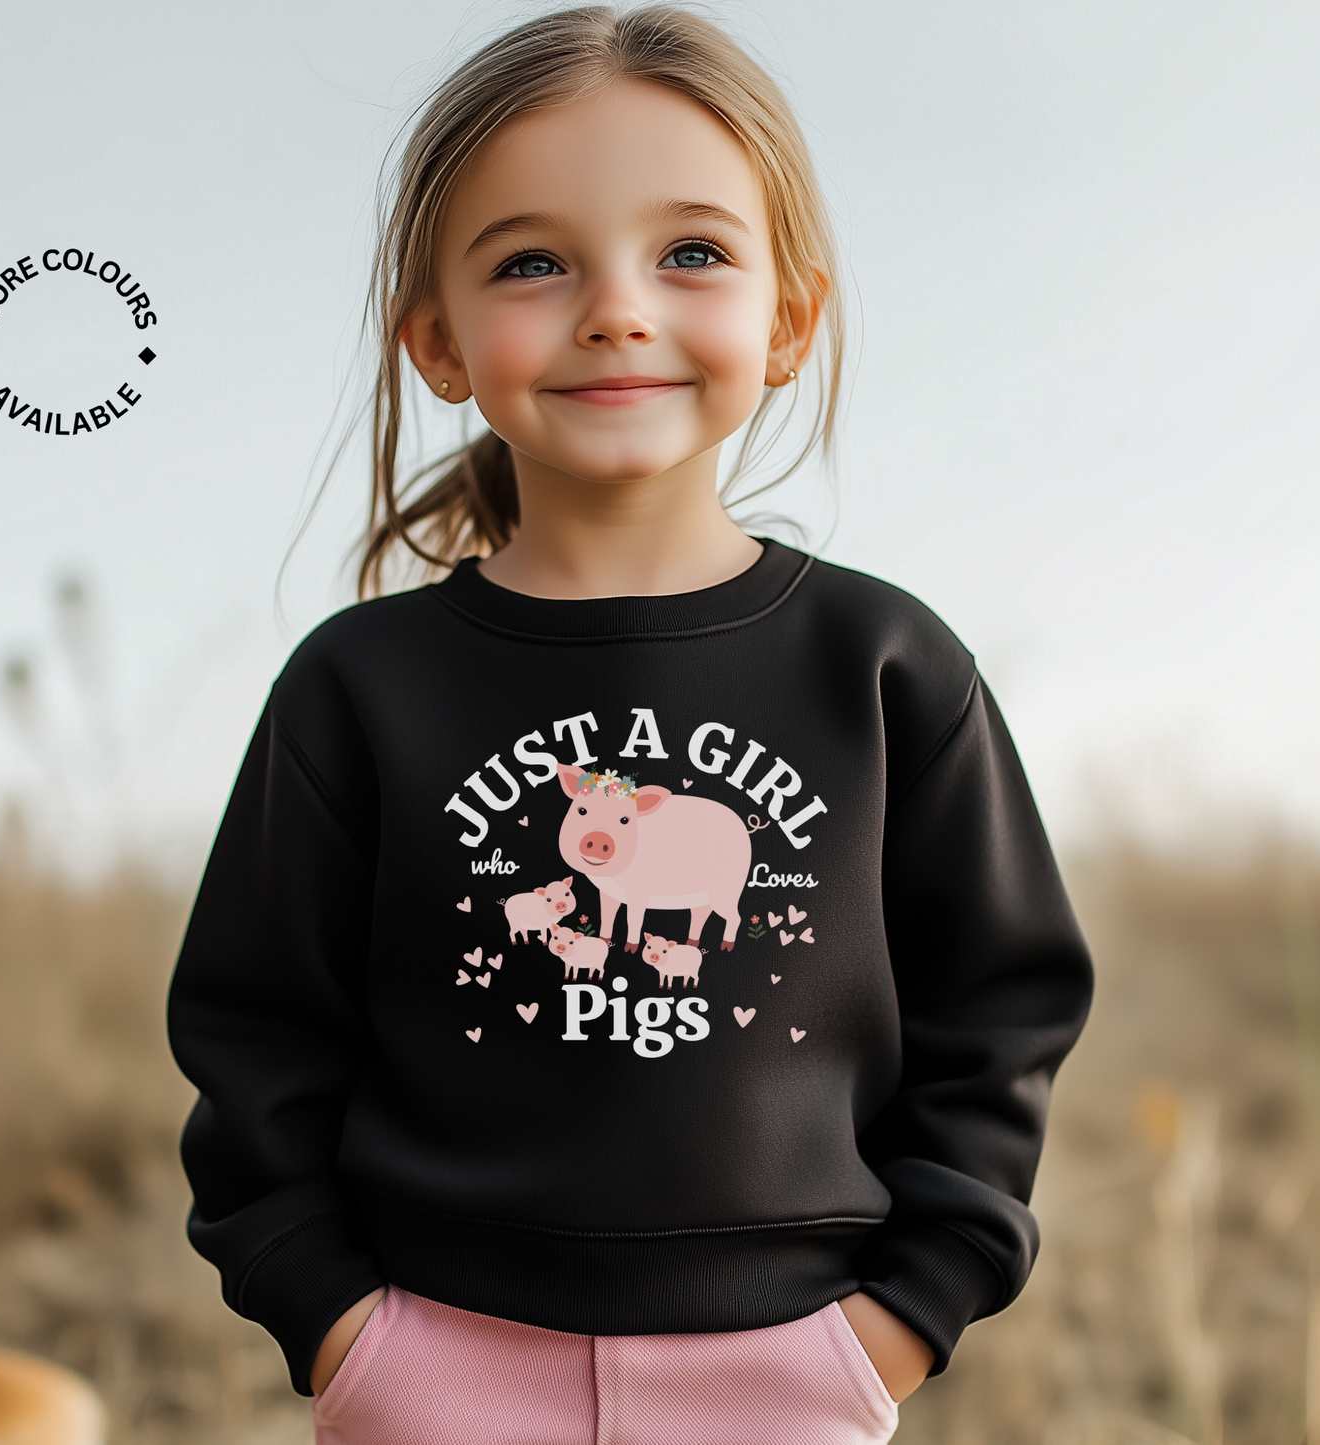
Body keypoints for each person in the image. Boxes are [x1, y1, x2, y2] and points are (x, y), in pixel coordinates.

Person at [166, 8, 1093, 1443]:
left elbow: (1004, 1006)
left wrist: (897, 1324)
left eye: (692, 252)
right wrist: (345, 1334)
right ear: (438, 340)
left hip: (795, 1367)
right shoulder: (359, 689)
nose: (616, 307)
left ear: (788, 320)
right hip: (436, 1367)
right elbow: (256, 1034)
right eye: (533, 261)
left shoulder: (886, 665)